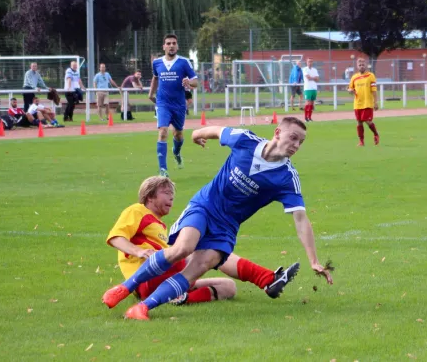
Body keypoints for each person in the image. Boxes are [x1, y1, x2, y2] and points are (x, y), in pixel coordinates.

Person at [102, 117, 333, 320]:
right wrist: (196, 135)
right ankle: (123, 288)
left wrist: (313, 260)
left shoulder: (287, 178)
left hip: (227, 227)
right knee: (182, 248)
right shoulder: (245, 140)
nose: (295, 145)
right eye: (293, 138)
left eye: (300, 142)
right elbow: (217, 131)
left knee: (196, 269)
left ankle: (142, 308)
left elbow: (301, 219)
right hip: (205, 206)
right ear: (277, 133)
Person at [105, 176, 301, 308]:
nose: (171, 197)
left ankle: (181, 297)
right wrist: (138, 251)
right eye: (165, 192)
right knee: (205, 251)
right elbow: (116, 237)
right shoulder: (138, 211)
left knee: (228, 287)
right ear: (149, 196)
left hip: (166, 278)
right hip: (147, 279)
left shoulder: (160, 226)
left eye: (172, 194)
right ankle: (266, 279)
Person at [148, 34, 197, 177]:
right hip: (163, 103)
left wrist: (189, 83)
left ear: (177, 46)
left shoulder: (184, 62)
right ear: (164, 46)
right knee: (163, 131)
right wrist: (151, 93)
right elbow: (155, 78)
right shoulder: (157, 63)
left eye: (174, 43)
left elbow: (196, 81)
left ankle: (176, 152)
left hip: (179, 105)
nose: (171, 45)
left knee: (178, 134)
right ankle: (163, 170)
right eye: (168, 43)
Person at [347, 58, 379, 146]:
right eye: (360, 65)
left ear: (366, 65)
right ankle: (361, 141)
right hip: (358, 103)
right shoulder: (354, 77)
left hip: (368, 103)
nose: (361, 66)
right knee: (359, 122)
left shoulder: (370, 76)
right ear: (357, 66)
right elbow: (349, 88)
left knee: (367, 121)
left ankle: (376, 134)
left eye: (363, 65)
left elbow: (374, 90)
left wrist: (375, 102)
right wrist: (350, 90)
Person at [302, 58, 319, 122]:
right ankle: (306, 117)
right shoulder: (305, 69)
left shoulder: (314, 70)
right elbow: (308, 78)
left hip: (314, 88)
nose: (310, 63)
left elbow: (317, 79)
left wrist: (313, 78)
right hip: (308, 88)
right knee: (308, 102)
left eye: (311, 61)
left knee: (312, 103)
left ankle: (309, 117)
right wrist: (314, 77)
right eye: (309, 61)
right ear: (306, 62)